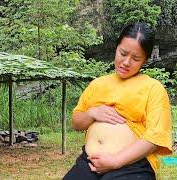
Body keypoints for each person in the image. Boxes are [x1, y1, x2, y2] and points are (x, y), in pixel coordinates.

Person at [63, 22, 172, 180]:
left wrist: (115, 161)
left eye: (135, 58)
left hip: (133, 166)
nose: (126, 62)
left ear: (145, 60)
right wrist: (92, 113)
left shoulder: (154, 88)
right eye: (123, 53)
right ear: (116, 47)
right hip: (90, 161)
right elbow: (76, 122)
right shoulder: (97, 84)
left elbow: (155, 138)